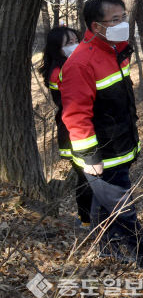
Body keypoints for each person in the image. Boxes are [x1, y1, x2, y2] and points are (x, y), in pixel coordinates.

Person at [60, 0, 143, 272]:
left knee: (103, 206)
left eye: (123, 17)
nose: (122, 24)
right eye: (115, 20)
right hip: (103, 155)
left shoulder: (114, 51)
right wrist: (90, 156)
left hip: (121, 146)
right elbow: (76, 114)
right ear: (96, 26)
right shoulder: (81, 63)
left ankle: (107, 250)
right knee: (124, 210)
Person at [39, 26, 93, 228]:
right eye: (68, 43)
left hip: (81, 128)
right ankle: (86, 221)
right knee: (86, 177)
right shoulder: (58, 72)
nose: (74, 45)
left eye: (75, 39)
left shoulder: (76, 64)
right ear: (57, 49)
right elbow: (70, 103)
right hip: (73, 131)